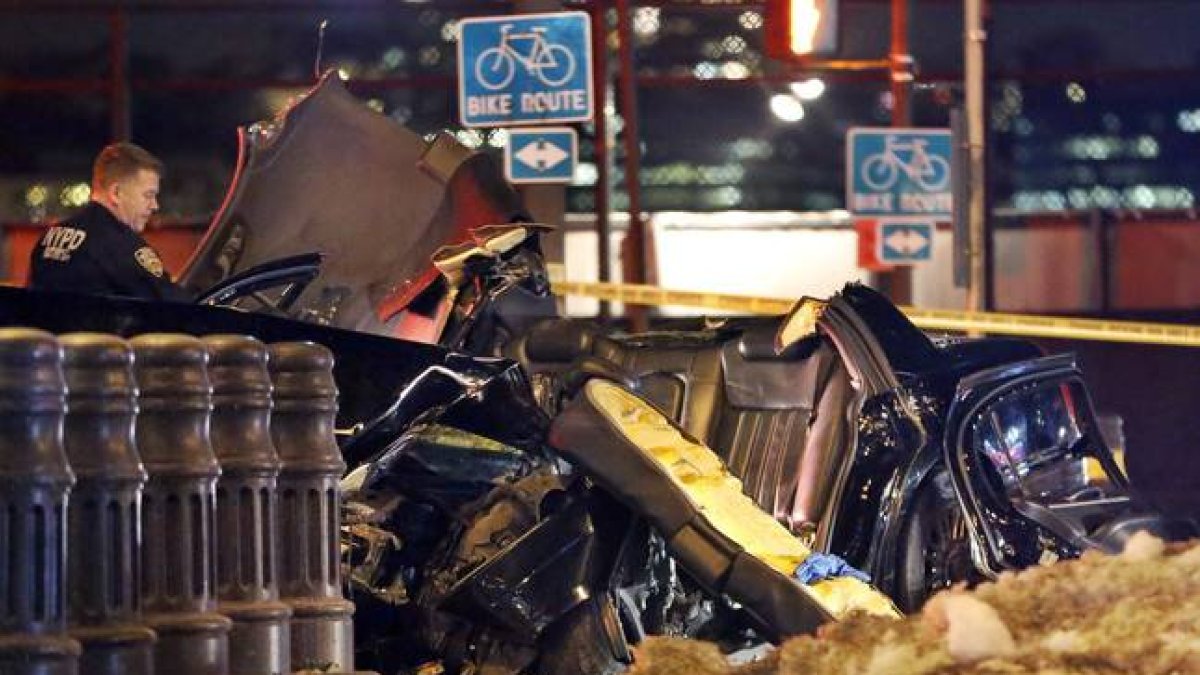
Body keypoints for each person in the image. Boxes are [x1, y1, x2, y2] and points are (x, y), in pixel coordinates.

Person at [27, 142, 191, 302]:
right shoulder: (123, 247)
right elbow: (174, 305)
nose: (155, 205)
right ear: (116, 193)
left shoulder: (49, 237)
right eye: (148, 195)